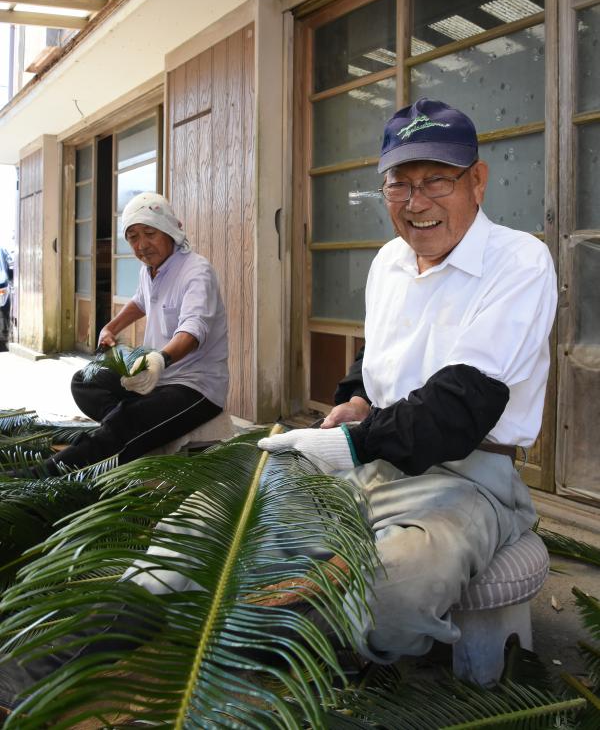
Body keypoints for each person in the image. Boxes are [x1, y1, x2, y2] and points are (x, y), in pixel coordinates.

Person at [259, 98, 558, 662]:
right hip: (378, 456)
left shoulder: (520, 262)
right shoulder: (388, 261)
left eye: (437, 181)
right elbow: (376, 356)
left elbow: (458, 409)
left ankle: (290, 659)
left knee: (396, 586)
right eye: (400, 185)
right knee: (238, 522)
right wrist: (353, 400)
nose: (417, 203)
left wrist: (348, 442)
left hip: (470, 476)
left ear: (478, 181)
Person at [50, 192, 228, 471]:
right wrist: (110, 327)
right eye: (133, 237)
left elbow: (193, 329)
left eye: (149, 233)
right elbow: (141, 301)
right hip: (155, 377)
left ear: (170, 231)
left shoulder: (196, 272)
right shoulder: (150, 270)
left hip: (195, 387)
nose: (142, 245)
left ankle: (48, 472)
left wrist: (161, 359)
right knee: (85, 381)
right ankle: (129, 427)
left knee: (125, 421)